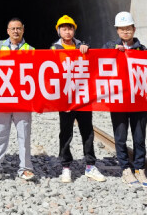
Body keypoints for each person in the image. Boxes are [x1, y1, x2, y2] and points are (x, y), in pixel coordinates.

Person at [51, 15, 106, 183]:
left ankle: (90, 165)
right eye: (64, 29)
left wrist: (87, 48)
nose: (67, 32)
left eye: (70, 28)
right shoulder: (54, 49)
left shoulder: (83, 47)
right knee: (65, 133)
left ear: (74, 30)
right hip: (66, 98)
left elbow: (94, 65)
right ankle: (66, 166)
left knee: (87, 132)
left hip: (83, 97)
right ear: (59, 31)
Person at [0, 18, 36, 183]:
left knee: (24, 135)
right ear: (7, 31)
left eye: (18, 28)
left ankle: (25, 169)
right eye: (12, 29)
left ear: (23, 30)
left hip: (22, 100)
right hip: (3, 98)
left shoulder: (30, 50)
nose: (15, 31)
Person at [104, 11, 147, 188]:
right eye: (122, 28)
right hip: (118, 100)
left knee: (139, 137)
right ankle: (125, 168)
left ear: (134, 29)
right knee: (121, 137)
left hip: (138, 101)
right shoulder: (109, 47)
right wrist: (113, 52)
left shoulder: (143, 50)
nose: (125, 31)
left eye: (128, 28)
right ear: (117, 30)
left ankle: (139, 168)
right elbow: (98, 61)